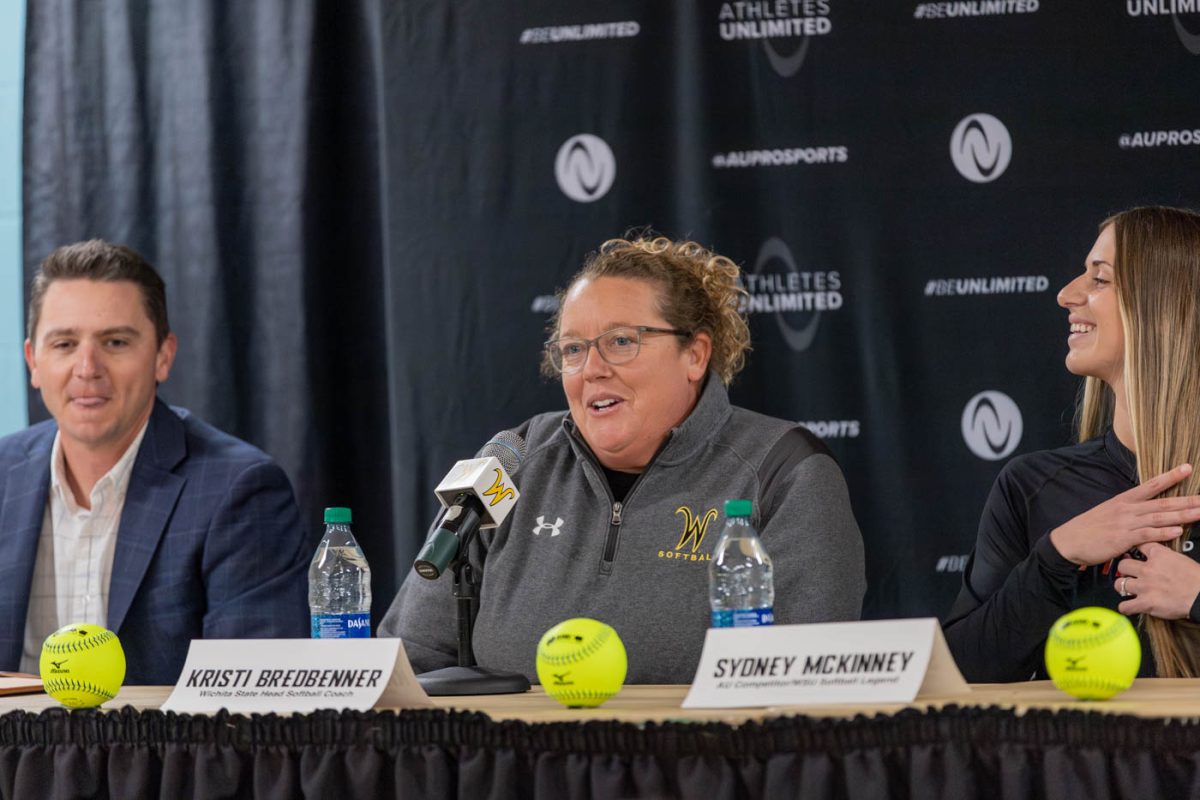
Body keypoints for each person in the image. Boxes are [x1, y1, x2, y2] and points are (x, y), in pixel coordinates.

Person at [381, 235, 866, 683]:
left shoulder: (784, 471)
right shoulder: (516, 462)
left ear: (695, 355)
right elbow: (409, 659)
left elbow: (811, 687)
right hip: (516, 769)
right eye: (573, 349)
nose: (592, 369)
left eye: (621, 342)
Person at [0, 240, 312, 685]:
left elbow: (255, 704)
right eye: (65, 343)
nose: (87, 367)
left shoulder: (240, 489)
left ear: (162, 356)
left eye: (116, 342)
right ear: (33, 361)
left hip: (172, 755)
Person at [944, 206, 1200, 681]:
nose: (1066, 295)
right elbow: (959, 674)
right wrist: (1056, 556)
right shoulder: (1031, 486)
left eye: (1099, 279)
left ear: (1163, 303)